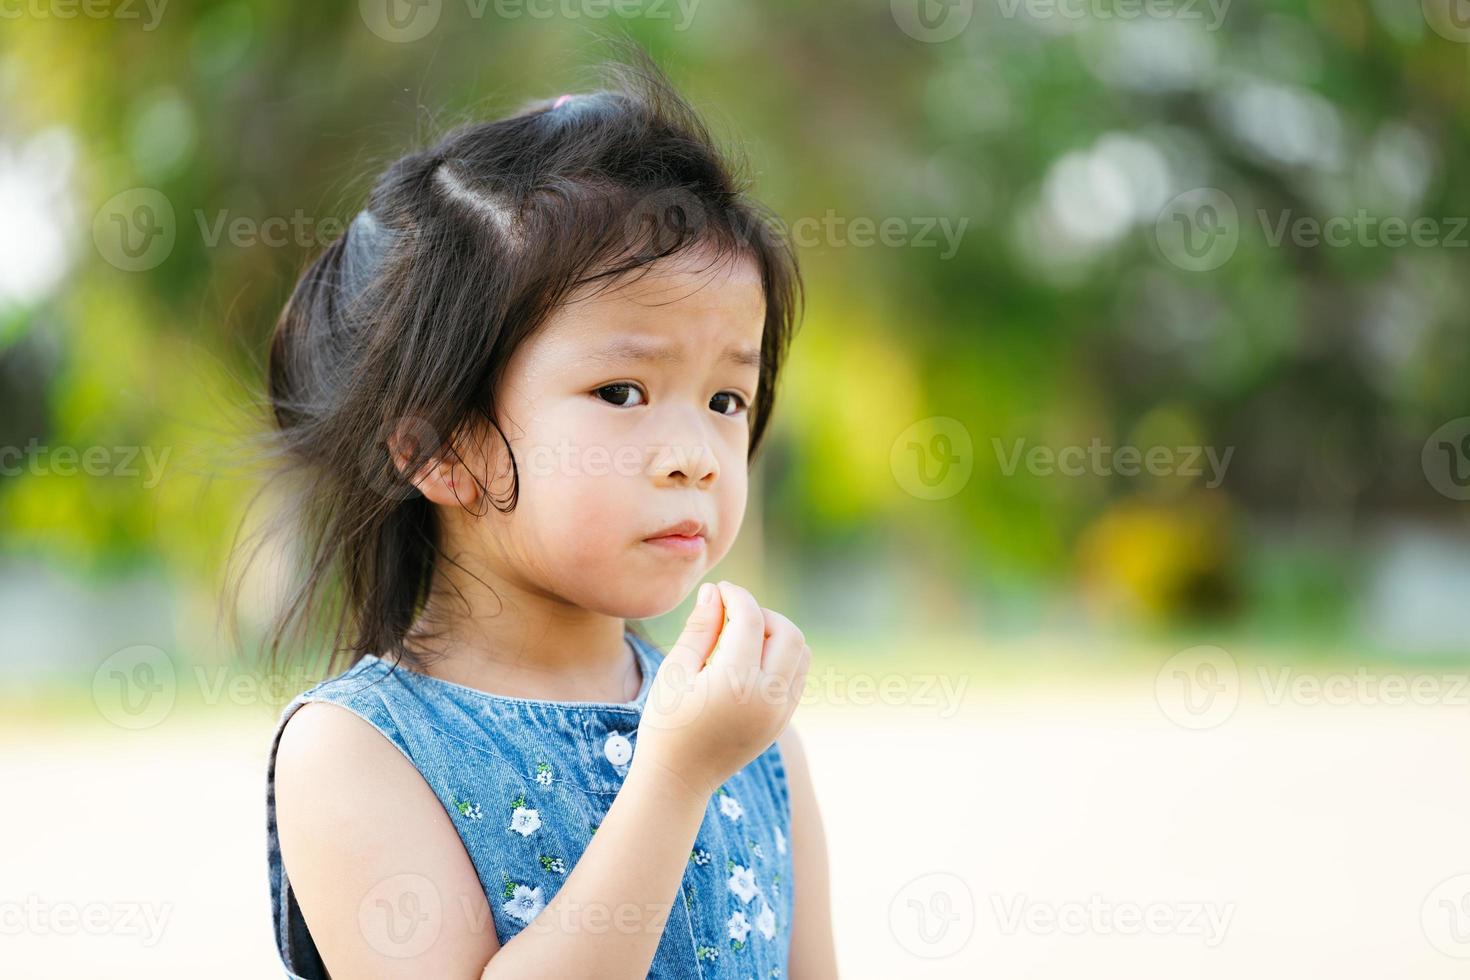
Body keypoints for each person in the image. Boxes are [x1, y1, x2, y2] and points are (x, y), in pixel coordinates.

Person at [246, 49, 838, 978]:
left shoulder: (747, 738)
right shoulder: (358, 751)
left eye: (727, 399)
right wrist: (674, 776)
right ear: (440, 449)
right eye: (621, 389)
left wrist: (702, 751)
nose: (695, 454)